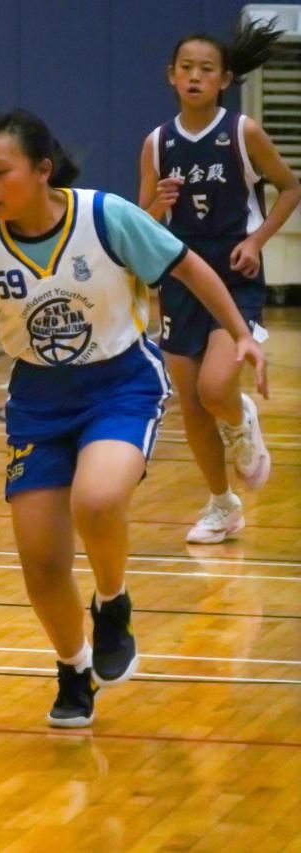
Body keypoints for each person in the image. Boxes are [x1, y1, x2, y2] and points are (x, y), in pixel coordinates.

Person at [0, 109, 267, 728]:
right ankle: (73, 668)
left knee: (97, 499)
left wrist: (239, 332)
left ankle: (112, 602)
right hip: (38, 401)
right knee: (41, 562)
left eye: (0, 171)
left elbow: (188, 267)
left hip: (119, 383)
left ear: (42, 170)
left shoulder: (105, 217)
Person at [139, 19, 299, 544]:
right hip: (180, 277)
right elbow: (141, 223)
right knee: (189, 402)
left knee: (214, 389)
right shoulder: (157, 143)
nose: (195, 76)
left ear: (224, 79)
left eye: (206, 69)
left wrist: (257, 242)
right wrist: (157, 205)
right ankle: (222, 505)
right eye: (186, 68)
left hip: (233, 274)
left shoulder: (242, 132)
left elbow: (290, 187)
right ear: (171, 75)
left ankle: (240, 416)